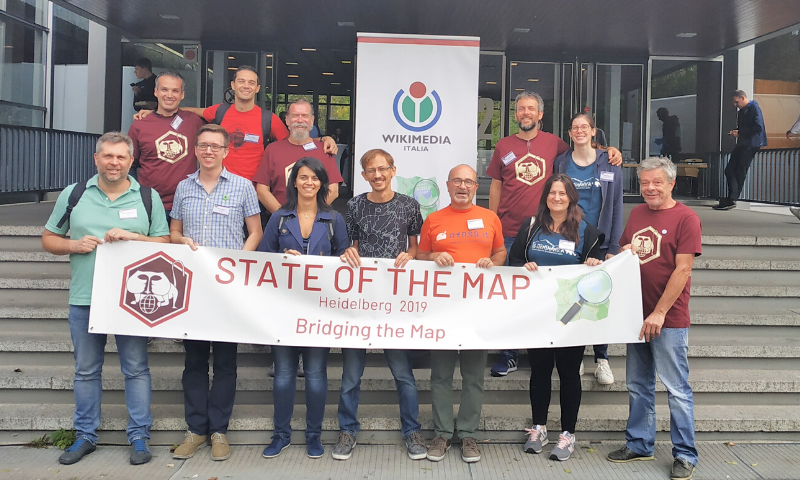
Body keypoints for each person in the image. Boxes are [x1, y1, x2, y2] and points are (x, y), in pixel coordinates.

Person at [42, 132, 170, 465]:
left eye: (120, 157)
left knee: (136, 369)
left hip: (133, 299)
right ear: (96, 158)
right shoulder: (74, 194)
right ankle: (85, 435)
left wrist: (134, 237)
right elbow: (49, 238)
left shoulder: (147, 197)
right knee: (86, 370)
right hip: (85, 296)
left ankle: (139, 436)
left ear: (131, 161)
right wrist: (73, 245)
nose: (114, 162)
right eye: (108, 156)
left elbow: (164, 242)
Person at [486, 91, 622, 377]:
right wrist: (492, 222)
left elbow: (586, 150)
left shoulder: (555, 145)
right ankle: (510, 354)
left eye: (531, 108)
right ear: (515, 114)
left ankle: (579, 352)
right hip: (512, 231)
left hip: (560, 234)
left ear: (540, 114)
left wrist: (610, 150)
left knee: (573, 296)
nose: (525, 113)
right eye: (521, 108)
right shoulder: (505, 146)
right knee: (515, 297)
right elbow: (496, 184)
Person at [169, 124, 262, 461]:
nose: (208, 151)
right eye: (203, 145)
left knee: (225, 362)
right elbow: (174, 231)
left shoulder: (242, 186)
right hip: (193, 287)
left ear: (225, 151)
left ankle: (219, 430)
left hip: (226, 289)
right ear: (195, 149)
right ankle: (195, 430)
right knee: (194, 361)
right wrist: (181, 240)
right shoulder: (183, 187)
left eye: (215, 146)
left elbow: (255, 231)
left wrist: (237, 265)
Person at [606, 157, 702, 480]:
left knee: (676, 388)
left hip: (668, 320)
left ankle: (685, 454)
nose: (650, 188)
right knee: (638, 385)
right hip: (637, 316)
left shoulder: (687, 218)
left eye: (657, 182)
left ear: (671, 183)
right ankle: (639, 443)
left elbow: (683, 269)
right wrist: (621, 253)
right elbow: (626, 251)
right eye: (645, 183)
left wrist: (659, 312)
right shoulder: (637, 214)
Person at [336, 149, 426, 461]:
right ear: (363, 175)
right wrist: (349, 252)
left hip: (395, 303)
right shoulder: (353, 205)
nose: (377, 175)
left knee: (403, 375)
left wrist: (410, 256)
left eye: (383, 169)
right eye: (371, 170)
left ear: (393, 170)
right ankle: (347, 431)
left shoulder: (409, 205)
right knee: (351, 376)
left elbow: (415, 247)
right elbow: (351, 246)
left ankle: (412, 431)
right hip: (360, 301)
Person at [509, 173, 605, 462]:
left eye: (563, 193)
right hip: (537, 313)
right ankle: (538, 428)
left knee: (568, 373)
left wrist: (594, 263)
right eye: (552, 193)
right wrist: (523, 265)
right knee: (539, 371)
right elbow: (514, 261)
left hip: (571, 313)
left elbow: (596, 273)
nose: (557, 198)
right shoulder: (531, 227)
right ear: (546, 197)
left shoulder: (587, 232)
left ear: (571, 198)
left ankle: (567, 434)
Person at [258, 157, 349, 460]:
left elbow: (344, 262)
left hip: (319, 310)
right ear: (294, 182)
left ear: (322, 184)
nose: (309, 183)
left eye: (315, 178)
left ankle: (314, 435)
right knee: (284, 375)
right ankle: (281, 435)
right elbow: (263, 259)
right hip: (284, 308)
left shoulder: (334, 219)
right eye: (303, 177)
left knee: (315, 374)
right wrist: (282, 258)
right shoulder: (279, 218)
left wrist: (331, 263)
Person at [417, 164, 506, 464]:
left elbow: (501, 253)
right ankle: (442, 433)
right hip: (442, 311)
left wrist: (493, 262)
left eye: (468, 181)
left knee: (474, 376)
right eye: (457, 181)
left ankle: (468, 433)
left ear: (476, 187)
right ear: (447, 185)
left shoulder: (490, 218)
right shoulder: (433, 219)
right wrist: (433, 255)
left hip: (476, 310)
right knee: (441, 376)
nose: (463, 186)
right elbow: (419, 256)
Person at [134, 66, 338, 181]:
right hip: (218, 188)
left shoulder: (268, 119)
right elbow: (189, 110)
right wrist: (155, 113)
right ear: (233, 85)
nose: (246, 86)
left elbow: (293, 143)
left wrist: (323, 139)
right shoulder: (219, 112)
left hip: (253, 192)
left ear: (257, 88)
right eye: (241, 81)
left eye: (251, 82)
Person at [554, 113, 624, 385]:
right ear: (570, 133)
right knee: (573, 299)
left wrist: (614, 246)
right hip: (569, 243)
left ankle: (601, 358)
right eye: (575, 127)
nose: (580, 131)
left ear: (594, 131)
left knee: (600, 300)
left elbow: (616, 206)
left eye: (585, 127)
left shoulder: (610, 162)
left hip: (601, 243)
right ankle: (575, 354)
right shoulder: (561, 162)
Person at [128, 71, 205, 217]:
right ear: (155, 92)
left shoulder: (194, 121)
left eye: (175, 91)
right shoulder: (139, 125)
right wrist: (136, 195)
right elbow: (129, 165)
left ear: (182, 95)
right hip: (150, 204)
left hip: (187, 204)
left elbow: (222, 113)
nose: (169, 95)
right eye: (164, 89)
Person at [254, 99, 343, 213]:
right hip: (280, 220)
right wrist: (283, 216)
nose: (300, 120)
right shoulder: (272, 150)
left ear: (312, 120)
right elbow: (262, 190)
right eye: (295, 115)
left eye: (305, 116)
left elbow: (333, 190)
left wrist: (310, 216)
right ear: (287, 120)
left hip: (316, 220)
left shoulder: (324, 150)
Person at [714, 90, 767, 210]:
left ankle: (732, 198)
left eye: (736, 102)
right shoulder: (743, 111)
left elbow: (758, 127)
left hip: (750, 144)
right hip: (744, 143)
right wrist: (737, 132)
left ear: (742, 98)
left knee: (738, 170)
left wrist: (740, 132)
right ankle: (731, 197)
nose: (735, 105)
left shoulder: (754, 107)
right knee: (731, 170)